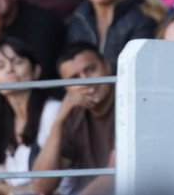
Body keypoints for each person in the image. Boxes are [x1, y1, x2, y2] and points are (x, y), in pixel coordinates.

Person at [0, 37, 65, 195]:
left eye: (18, 62)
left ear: (36, 71)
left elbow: (46, 188)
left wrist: (0, 189)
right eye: (0, 66)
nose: (9, 70)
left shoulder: (53, 111)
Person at [31, 42, 116, 195]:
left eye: (90, 70)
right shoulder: (74, 114)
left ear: (107, 66)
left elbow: (115, 175)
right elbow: (42, 185)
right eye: (74, 78)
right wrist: (58, 120)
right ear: (67, 87)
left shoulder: (127, 103)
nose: (85, 81)